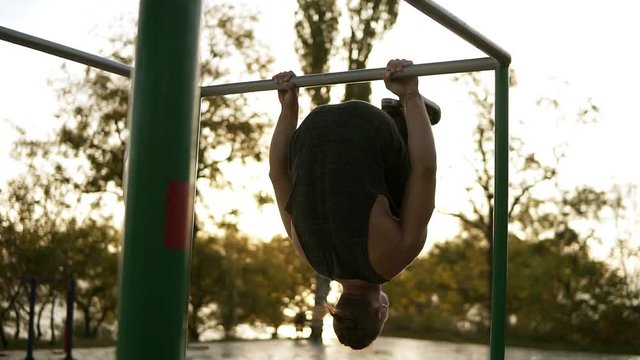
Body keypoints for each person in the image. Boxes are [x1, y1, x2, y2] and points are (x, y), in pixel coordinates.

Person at [269, 59, 437, 350]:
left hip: (370, 125)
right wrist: (288, 109)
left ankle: (405, 117)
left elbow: (425, 171)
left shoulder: (396, 257)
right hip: (311, 128)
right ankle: (404, 118)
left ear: (381, 311)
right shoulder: (307, 254)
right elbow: (278, 173)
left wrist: (410, 94)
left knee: (415, 199)